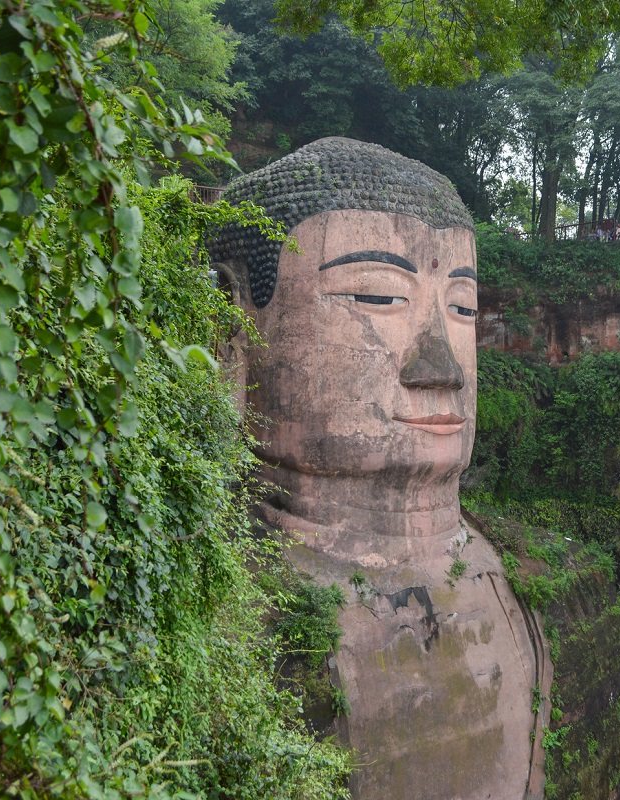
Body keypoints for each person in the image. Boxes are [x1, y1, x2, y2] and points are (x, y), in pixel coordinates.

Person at [209, 138, 548, 800]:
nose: (441, 367)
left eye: (463, 308)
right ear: (233, 322)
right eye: (378, 295)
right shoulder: (211, 627)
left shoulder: (540, 592)